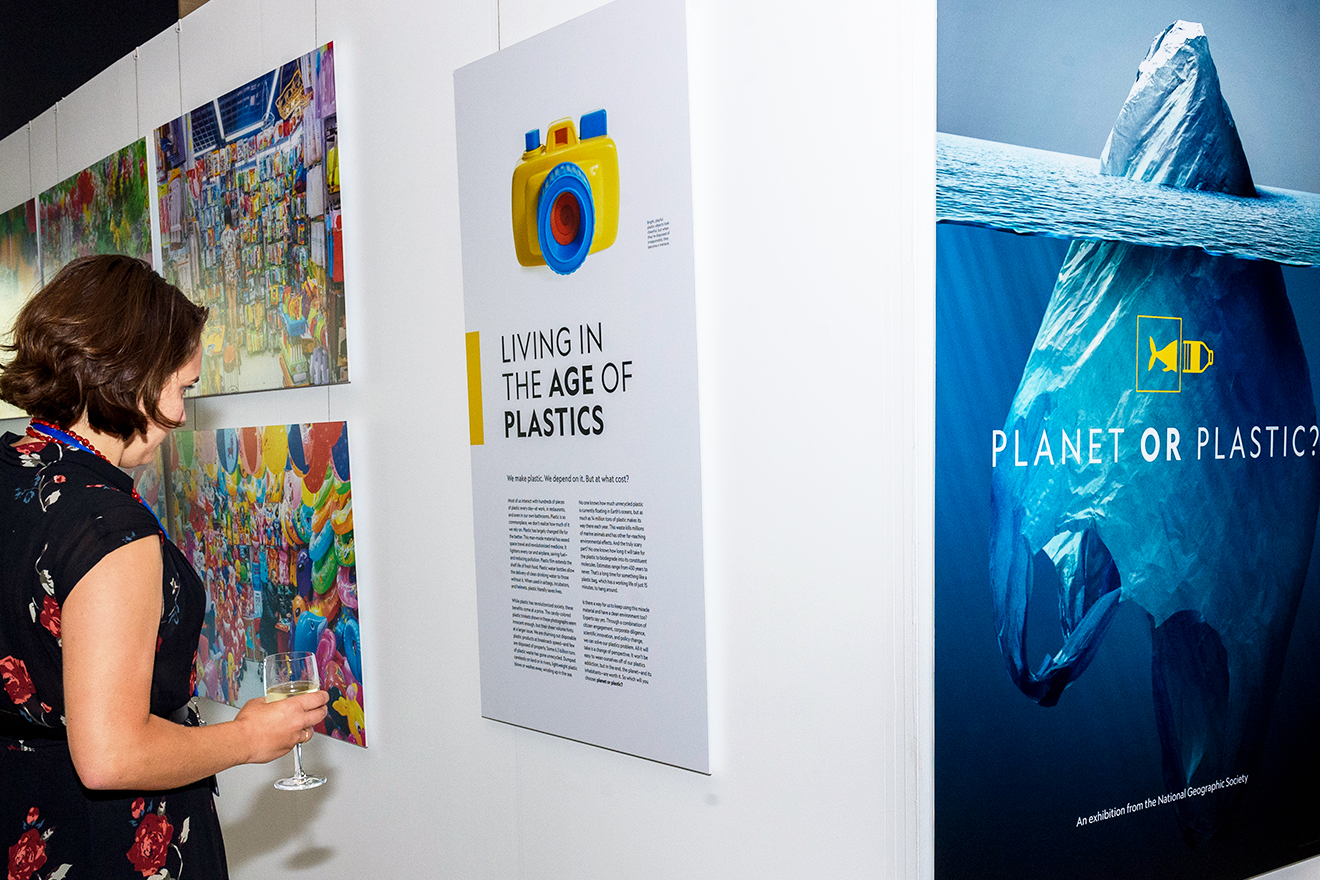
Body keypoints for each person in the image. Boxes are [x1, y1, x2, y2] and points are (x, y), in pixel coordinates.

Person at [0, 255, 327, 879]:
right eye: (181, 388)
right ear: (131, 378)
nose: (179, 415)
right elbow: (111, 753)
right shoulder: (108, 529)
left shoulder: (12, 468)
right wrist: (249, 739)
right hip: (106, 841)